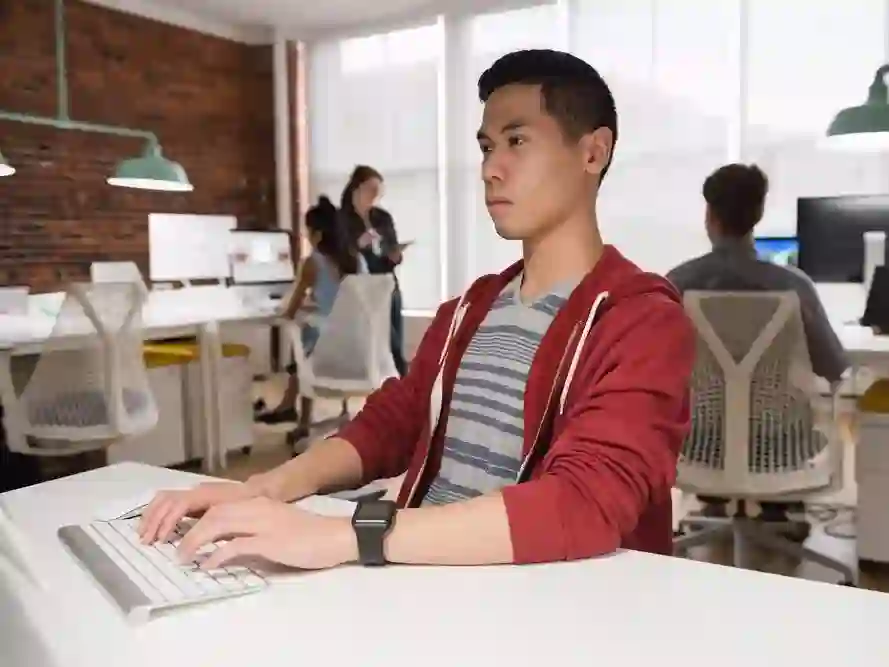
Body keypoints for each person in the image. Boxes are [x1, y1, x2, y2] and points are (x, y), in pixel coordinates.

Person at [138, 49, 696, 572]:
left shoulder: (642, 320)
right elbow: (392, 424)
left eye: (517, 141)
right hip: (418, 580)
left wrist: (345, 535)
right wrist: (263, 489)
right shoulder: (469, 309)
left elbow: (583, 503)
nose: (490, 168)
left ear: (593, 153)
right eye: (486, 147)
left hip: (537, 601)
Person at [667, 163, 849, 524]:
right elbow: (832, 366)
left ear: (709, 215)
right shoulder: (794, 286)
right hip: (783, 445)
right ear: (759, 214)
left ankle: (717, 502)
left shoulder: (676, 283)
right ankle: (775, 510)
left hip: (700, 444)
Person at [255, 196, 363, 442]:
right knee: (314, 334)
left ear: (318, 234)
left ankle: (302, 422)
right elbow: (348, 302)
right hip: (357, 348)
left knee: (304, 337)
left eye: (308, 232)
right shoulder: (357, 261)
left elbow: (290, 311)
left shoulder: (313, 263)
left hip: (325, 354)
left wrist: (288, 308)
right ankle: (290, 407)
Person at [340, 166, 409, 377]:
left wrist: (396, 256)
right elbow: (339, 256)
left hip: (387, 283)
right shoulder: (341, 220)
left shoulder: (382, 217)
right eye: (371, 189)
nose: (375, 195)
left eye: (378, 190)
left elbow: (392, 249)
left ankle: (398, 382)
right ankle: (403, 381)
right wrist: (358, 244)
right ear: (357, 188)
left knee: (395, 336)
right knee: (387, 340)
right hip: (362, 288)